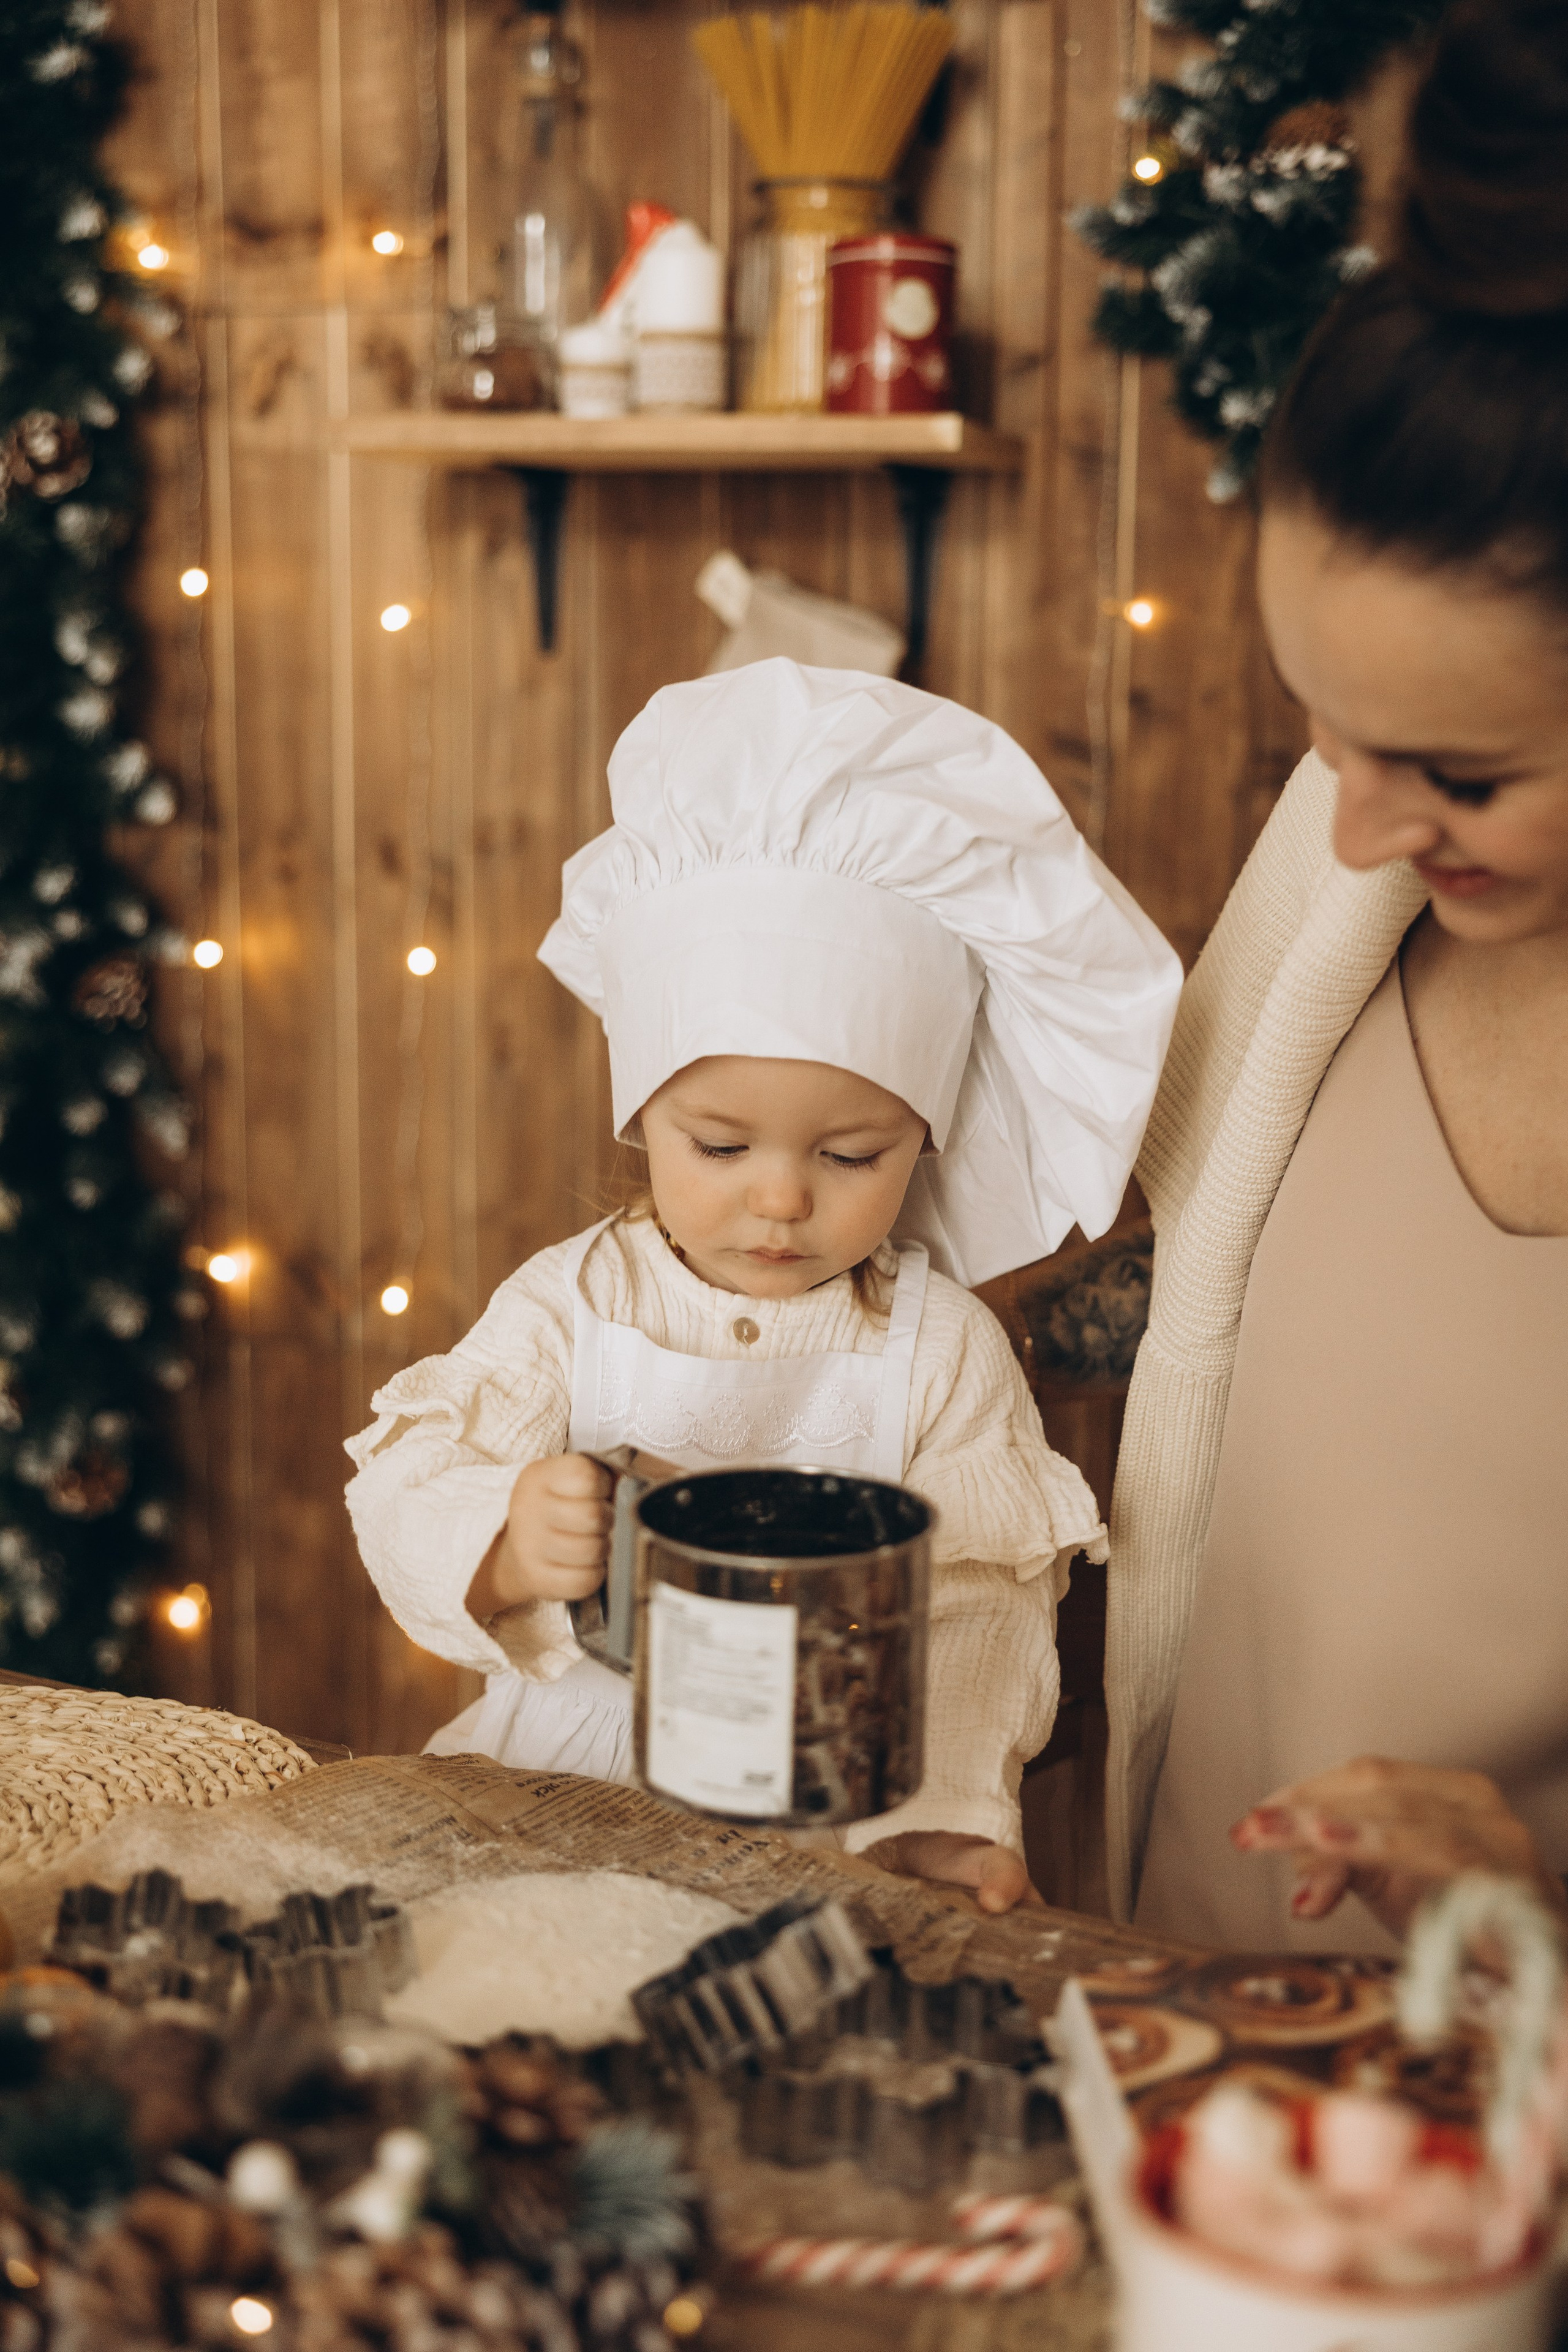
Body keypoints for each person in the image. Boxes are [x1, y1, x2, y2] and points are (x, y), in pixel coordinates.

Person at [347, 660, 1180, 1915]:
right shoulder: (574, 1306)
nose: (781, 1200)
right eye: (721, 1146)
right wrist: (504, 1543)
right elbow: (408, 1481)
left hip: (828, 1817)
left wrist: (945, 1814)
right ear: (642, 1113)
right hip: (554, 1796)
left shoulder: (942, 1350)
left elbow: (975, 1607)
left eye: (850, 1157)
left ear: (925, 1138)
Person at [1112, 0, 1568, 1952]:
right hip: (1181, 2032)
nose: (1358, 831)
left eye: (1457, 773)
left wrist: (1541, 1909)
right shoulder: (1343, 872)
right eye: (1323, 726)